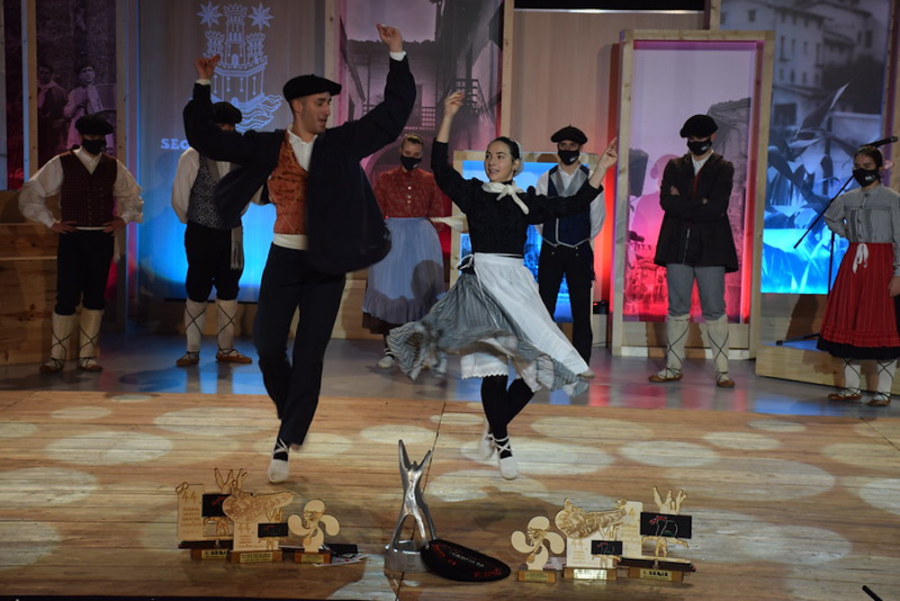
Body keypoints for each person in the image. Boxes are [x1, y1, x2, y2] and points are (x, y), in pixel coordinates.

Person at [184, 24, 415, 484]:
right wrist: (203, 86)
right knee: (268, 347)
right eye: (321, 103)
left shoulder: (341, 144)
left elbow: (390, 118)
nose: (328, 110)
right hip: (284, 260)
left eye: (329, 103)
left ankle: (285, 439)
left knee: (309, 357)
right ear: (298, 105)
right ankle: (292, 415)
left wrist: (397, 55)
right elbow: (206, 138)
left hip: (326, 265)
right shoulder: (268, 146)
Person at [388, 92, 617, 480]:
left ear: (516, 164)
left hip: (517, 287)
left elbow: (573, 204)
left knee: (538, 369)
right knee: (492, 369)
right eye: (489, 156)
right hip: (481, 286)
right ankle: (504, 442)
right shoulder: (474, 194)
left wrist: (602, 169)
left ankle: (495, 429)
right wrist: (448, 116)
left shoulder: (527, 201)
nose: (492, 161)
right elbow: (441, 169)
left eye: (500, 156)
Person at [19, 114, 143, 373]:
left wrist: (123, 219)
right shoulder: (61, 163)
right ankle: (57, 356)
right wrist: (51, 222)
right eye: (91, 136)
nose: (95, 140)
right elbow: (31, 193)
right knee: (66, 295)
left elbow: (134, 197)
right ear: (81, 137)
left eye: (99, 137)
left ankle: (87, 355)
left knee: (95, 295)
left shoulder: (113, 166)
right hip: (73, 238)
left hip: (101, 238)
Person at [648, 114, 737, 388]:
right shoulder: (675, 166)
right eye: (691, 138)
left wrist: (684, 202)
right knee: (677, 307)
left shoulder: (724, 168)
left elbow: (716, 208)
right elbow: (667, 203)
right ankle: (673, 367)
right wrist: (701, 202)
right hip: (678, 245)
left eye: (700, 137)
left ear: (712, 137)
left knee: (714, 308)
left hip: (711, 247)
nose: (695, 142)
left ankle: (722, 371)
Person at [171, 101, 256, 368]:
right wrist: (196, 219)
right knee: (197, 286)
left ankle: (226, 348)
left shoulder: (241, 158)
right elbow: (180, 196)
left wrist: (232, 216)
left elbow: (245, 196)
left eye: (231, 126)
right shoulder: (193, 155)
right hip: (201, 232)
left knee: (229, 287)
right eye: (222, 125)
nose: (227, 130)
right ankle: (192, 350)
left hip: (231, 234)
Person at [817, 145, 900, 407]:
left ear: (879, 168)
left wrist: (898, 273)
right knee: (850, 319)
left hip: (882, 262)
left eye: (867, 166)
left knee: (881, 321)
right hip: (854, 262)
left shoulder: (892, 199)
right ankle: (851, 388)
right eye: (857, 167)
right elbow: (830, 218)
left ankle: (883, 392)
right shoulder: (848, 198)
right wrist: (849, 235)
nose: (862, 171)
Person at [364, 133, 447, 369]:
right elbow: (376, 211)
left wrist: (428, 228)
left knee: (421, 294)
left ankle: (419, 350)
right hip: (393, 239)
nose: (411, 157)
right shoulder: (386, 179)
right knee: (390, 292)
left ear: (422, 156)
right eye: (408, 153)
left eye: (416, 155)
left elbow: (437, 214)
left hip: (421, 240)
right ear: (400, 152)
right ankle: (390, 350)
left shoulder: (429, 180)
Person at [535, 125, 605, 363]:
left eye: (571, 145)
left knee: (581, 310)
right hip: (551, 250)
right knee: (545, 307)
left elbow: (597, 218)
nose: (567, 149)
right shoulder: (546, 178)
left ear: (580, 148)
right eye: (562, 145)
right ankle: (543, 357)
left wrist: (580, 237)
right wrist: (552, 237)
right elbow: (539, 218)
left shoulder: (591, 178)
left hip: (579, 251)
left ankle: (581, 362)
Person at [64, 64, 109, 149]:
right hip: (79, 130)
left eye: (90, 70)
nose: (88, 74)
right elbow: (67, 113)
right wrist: (76, 105)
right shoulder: (74, 93)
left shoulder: (99, 90)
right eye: (84, 72)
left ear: (94, 74)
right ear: (79, 76)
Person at [37, 63, 68, 166]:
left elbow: (67, 110)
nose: (43, 76)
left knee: (50, 153)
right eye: (41, 73)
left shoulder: (59, 92)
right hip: (35, 127)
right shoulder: (31, 89)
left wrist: (62, 121)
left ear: (51, 75)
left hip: (52, 129)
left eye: (46, 73)